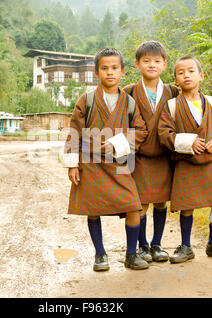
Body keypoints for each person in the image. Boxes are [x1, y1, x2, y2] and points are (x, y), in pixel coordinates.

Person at [124, 41, 212, 263]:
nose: (151, 65)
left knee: (161, 202)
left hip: (165, 157)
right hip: (142, 156)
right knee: (142, 203)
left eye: (156, 61)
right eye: (146, 61)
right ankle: (143, 246)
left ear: (163, 64)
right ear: (137, 64)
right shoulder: (130, 92)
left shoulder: (173, 92)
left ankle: (157, 244)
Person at [62, 48, 149, 271]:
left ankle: (131, 254)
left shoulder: (129, 102)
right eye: (104, 68)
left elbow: (141, 131)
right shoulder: (87, 100)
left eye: (114, 68)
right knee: (93, 208)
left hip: (120, 162)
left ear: (122, 72)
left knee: (132, 206)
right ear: (96, 72)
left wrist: (117, 143)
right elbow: (74, 131)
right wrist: (73, 164)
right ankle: (100, 254)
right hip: (91, 163)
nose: (109, 72)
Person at [158, 56, 212, 264]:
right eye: (181, 72)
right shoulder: (172, 105)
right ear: (175, 79)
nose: (186, 75)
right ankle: (186, 247)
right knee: (187, 205)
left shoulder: (211, 102)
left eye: (191, 71)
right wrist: (189, 142)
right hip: (186, 162)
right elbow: (164, 134)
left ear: (201, 75)